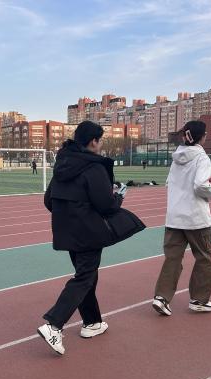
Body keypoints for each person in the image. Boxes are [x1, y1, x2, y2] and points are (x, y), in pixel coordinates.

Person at [38, 121, 145, 355]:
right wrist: (119, 197)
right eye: (100, 140)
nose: (101, 144)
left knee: (87, 275)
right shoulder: (93, 167)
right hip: (88, 231)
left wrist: (69, 213)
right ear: (93, 141)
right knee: (85, 277)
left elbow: (48, 201)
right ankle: (54, 325)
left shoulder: (63, 164)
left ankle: (92, 322)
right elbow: (106, 205)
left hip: (67, 231)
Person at [152, 120, 211, 317]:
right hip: (196, 218)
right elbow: (201, 185)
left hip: (174, 218)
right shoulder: (202, 158)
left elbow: (169, 184)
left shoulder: (176, 158)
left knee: (172, 258)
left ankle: (161, 297)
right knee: (204, 258)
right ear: (202, 137)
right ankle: (199, 300)